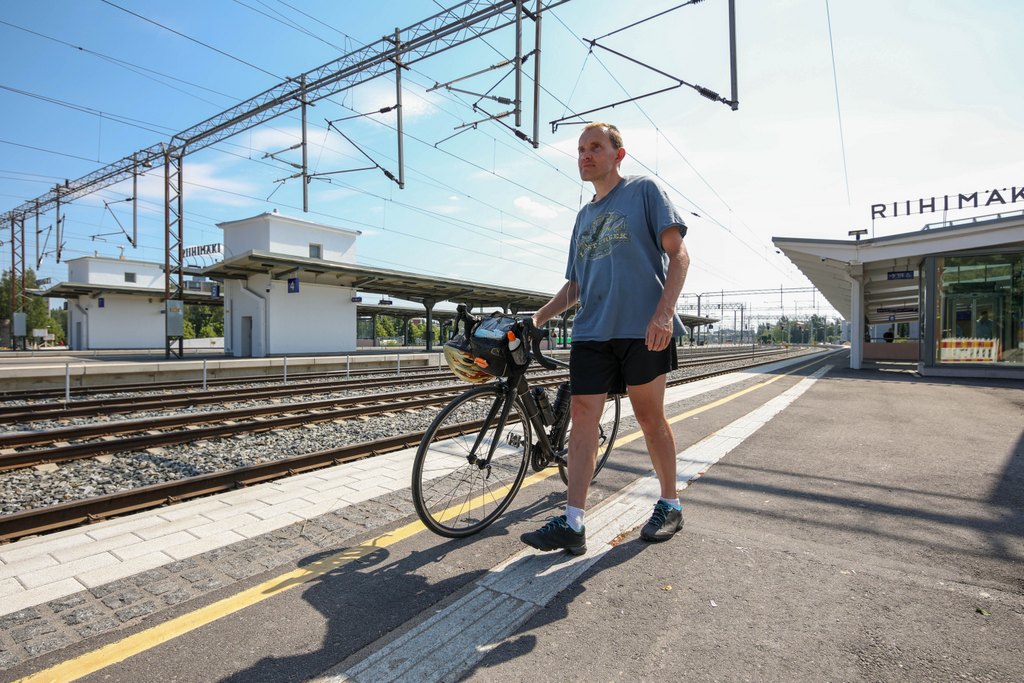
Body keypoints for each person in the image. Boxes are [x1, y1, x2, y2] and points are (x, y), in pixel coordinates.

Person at [521, 122, 690, 555]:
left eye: (595, 147)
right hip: (592, 331)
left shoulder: (644, 192)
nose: (586, 155)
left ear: (619, 153)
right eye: (580, 149)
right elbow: (575, 286)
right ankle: (573, 521)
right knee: (582, 416)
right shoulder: (583, 217)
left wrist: (663, 313)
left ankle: (670, 503)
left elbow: (679, 255)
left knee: (650, 418)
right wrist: (536, 319)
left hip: (642, 328)